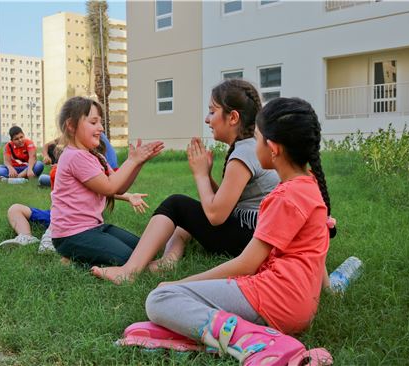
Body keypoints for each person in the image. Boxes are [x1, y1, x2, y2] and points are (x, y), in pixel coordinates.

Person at [141, 98, 337, 365]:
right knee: (182, 298)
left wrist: (182, 283)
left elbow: (246, 264)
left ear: (273, 149)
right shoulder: (308, 185)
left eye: (256, 139)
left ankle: (257, 341)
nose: (253, 146)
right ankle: (230, 333)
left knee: (160, 298)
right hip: (297, 303)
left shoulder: (286, 197)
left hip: (276, 300)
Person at [92, 79, 279, 284]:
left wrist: (199, 175)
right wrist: (207, 175)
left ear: (233, 117)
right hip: (252, 232)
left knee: (176, 204)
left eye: (212, 112)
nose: (208, 120)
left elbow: (216, 215)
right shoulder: (248, 147)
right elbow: (226, 201)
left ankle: (128, 271)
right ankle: (168, 261)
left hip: (251, 239)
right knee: (187, 216)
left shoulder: (243, 153)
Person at [50, 96, 164, 266]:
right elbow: (110, 187)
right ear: (71, 126)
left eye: (101, 122)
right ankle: (75, 258)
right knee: (131, 260)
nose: (101, 128)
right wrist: (131, 161)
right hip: (71, 235)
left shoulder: (94, 155)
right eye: (93, 122)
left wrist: (138, 162)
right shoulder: (75, 156)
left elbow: (118, 187)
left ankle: (78, 256)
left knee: (145, 250)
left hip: (94, 228)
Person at [0, 192, 150, 252]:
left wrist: (128, 196)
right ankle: (26, 237)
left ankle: (50, 239)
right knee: (14, 208)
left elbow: (106, 187)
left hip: (75, 221)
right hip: (57, 215)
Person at [38, 132, 118, 187]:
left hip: (103, 172)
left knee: (43, 178)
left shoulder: (93, 138)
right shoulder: (74, 138)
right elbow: (47, 145)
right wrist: (46, 156)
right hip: (104, 172)